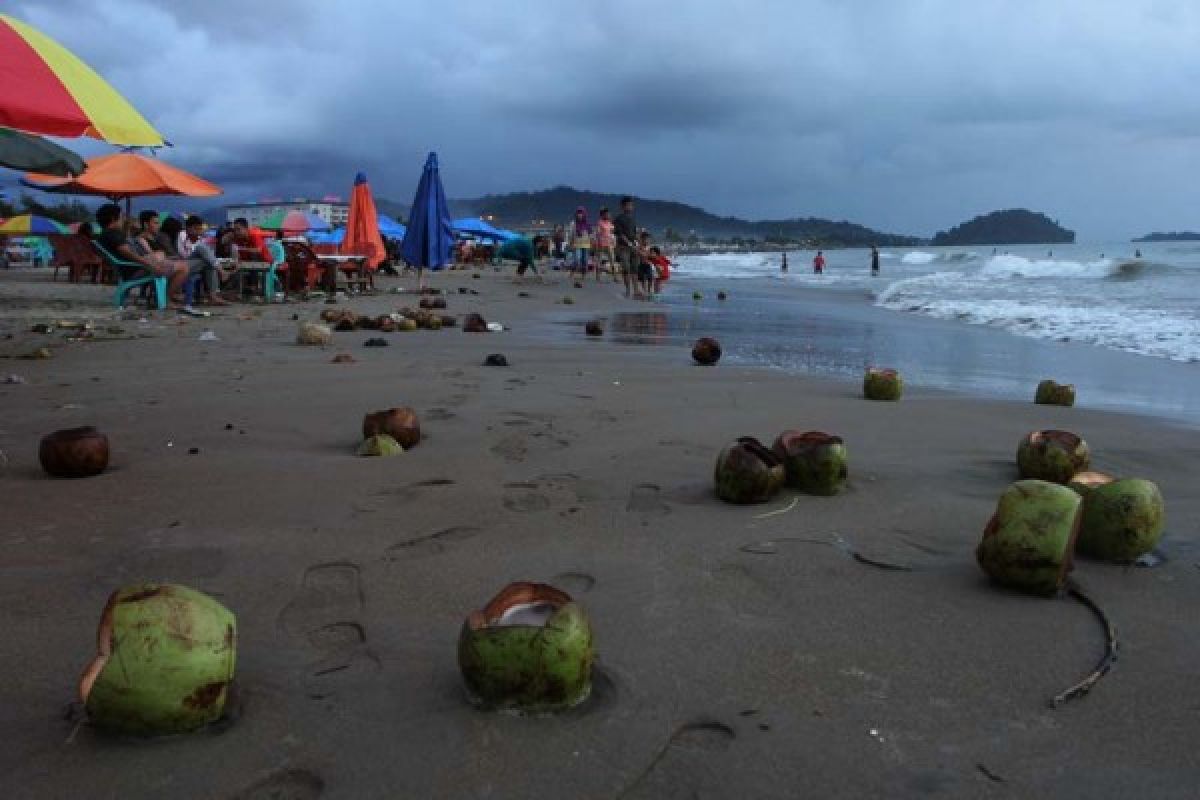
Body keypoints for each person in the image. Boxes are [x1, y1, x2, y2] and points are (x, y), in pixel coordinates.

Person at [94, 203, 188, 306]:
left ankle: (164, 297)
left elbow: (127, 253)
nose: (122, 219)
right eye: (121, 216)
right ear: (113, 218)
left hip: (129, 269)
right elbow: (127, 253)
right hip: (135, 270)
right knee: (183, 267)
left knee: (163, 257)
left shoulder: (106, 234)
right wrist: (149, 264)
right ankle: (166, 299)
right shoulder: (113, 234)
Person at [179, 215, 232, 304]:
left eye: (200, 229)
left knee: (207, 261)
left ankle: (213, 295)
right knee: (201, 249)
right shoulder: (182, 235)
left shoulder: (199, 239)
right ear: (188, 228)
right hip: (183, 263)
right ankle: (221, 272)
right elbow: (183, 254)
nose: (199, 232)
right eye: (196, 229)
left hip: (196, 264)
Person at [614, 196, 639, 297]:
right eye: (628, 205)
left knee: (635, 269)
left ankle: (636, 290)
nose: (630, 207)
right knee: (626, 268)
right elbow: (619, 234)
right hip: (623, 247)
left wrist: (636, 243)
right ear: (622, 206)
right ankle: (628, 290)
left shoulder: (633, 219)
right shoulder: (619, 219)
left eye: (631, 205)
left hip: (633, 246)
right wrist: (628, 243)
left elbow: (635, 233)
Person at [570, 206, 592, 280]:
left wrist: (592, 242)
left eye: (581, 213)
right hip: (577, 244)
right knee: (577, 259)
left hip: (586, 244)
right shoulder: (573, 224)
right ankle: (572, 272)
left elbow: (591, 234)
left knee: (585, 260)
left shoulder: (587, 224)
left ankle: (583, 275)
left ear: (584, 214)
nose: (579, 215)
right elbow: (571, 234)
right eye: (578, 213)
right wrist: (571, 244)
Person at [595, 207, 616, 281]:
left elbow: (612, 233)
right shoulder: (599, 222)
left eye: (608, 214)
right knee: (599, 260)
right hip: (601, 243)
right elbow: (597, 233)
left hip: (609, 243)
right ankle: (598, 277)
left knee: (612, 260)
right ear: (602, 215)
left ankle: (615, 277)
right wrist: (598, 242)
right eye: (606, 214)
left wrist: (613, 241)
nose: (608, 215)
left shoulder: (610, 223)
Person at [636, 231, 656, 297]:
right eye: (644, 239)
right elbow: (638, 253)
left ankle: (649, 291)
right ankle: (645, 291)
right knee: (642, 279)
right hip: (641, 265)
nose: (646, 241)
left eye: (647, 239)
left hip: (648, 265)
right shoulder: (639, 247)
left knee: (650, 278)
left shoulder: (650, 247)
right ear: (641, 240)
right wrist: (643, 254)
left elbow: (653, 255)